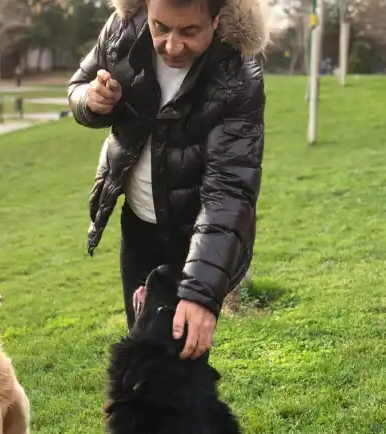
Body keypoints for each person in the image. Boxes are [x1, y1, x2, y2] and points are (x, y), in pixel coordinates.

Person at [68, 0, 269, 359]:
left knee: (182, 367)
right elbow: (79, 85)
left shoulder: (237, 74)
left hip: (194, 238)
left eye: (189, 32)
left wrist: (200, 292)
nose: (172, 47)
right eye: (160, 27)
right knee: (141, 353)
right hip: (138, 227)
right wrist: (93, 100)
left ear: (216, 19)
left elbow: (230, 189)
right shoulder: (123, 28)